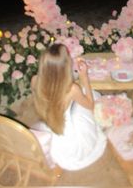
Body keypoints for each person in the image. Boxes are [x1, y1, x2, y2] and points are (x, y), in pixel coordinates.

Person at [30, 43, 107, 171]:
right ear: (65, 66)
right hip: (70, 144)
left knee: (80, 102)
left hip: (53, 127)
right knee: (92, 95)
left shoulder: (35, 80)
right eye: (68, 57)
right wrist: (84, 77)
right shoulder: (72, 89)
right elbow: (90, 105)